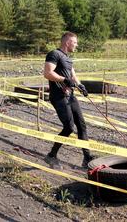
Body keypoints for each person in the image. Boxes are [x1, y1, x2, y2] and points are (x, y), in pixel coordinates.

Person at [43, 31, 93, 168]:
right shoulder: (54, 54)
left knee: (81, 125)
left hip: (70, 95)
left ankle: (87, 158)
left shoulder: (68, 58)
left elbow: (73, 76)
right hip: (58, 96)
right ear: (67, 42)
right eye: (75, 42)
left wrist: (80, 85)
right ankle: (51, 155)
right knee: (69, 127)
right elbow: (48, 73)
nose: (76, 45)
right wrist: (64, 80)